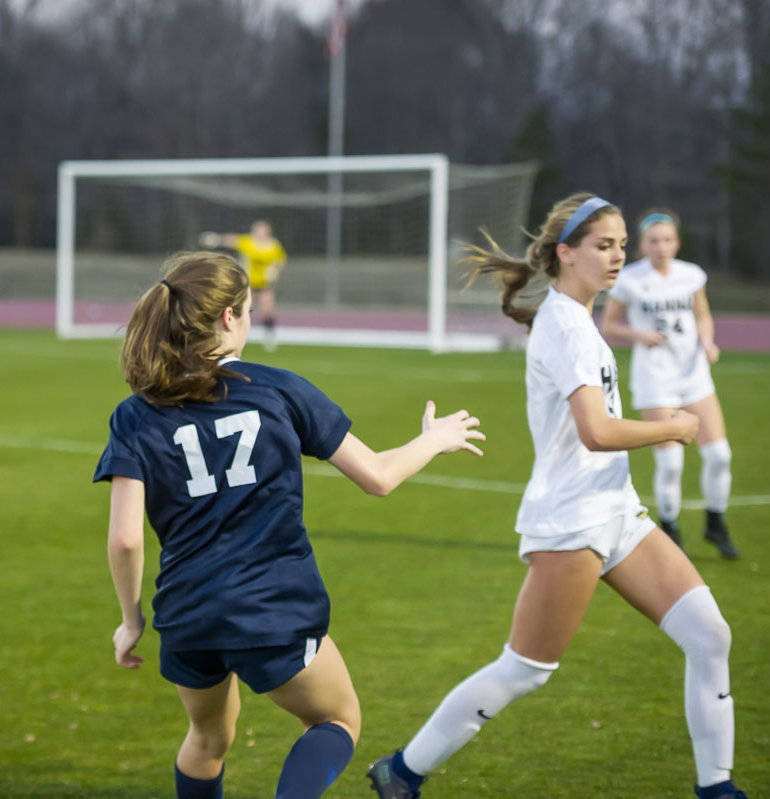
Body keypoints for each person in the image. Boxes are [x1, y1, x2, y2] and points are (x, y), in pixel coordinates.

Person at [367, 194, 747, 799]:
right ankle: (402, 770)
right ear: (565, 253)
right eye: (604, 245)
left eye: (623, 244)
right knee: (525, 670)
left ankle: (718, 788)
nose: (619, 255)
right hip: (573, 520)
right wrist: (673, 428)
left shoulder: (577, 317)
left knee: (709, 634)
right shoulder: (566, 324)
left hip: (617, 509)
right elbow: (597, 432)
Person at [94, 251, 485, 799]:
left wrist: (131, 620)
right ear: (229, 317)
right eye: (248, 310)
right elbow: (377, 476)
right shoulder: (277, 388)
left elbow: (126, 538)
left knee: (208, 741)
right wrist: (432, 439)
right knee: (338, 721)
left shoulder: (135, 412)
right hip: (271, 606)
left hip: (186, 615)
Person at [600, 209, 738, 559]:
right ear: (641, 245)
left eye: (666, 240)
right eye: (652, 241)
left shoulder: (691, 276)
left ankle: (715, 523)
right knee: (671, 462)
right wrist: (638, 334)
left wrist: (707, 341)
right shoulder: (629, 279)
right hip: (655, 378)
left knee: (720, 455)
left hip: (693, 376)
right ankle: (672, 530)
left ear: (676, 242)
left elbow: (702, 314)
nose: (660, 247)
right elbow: (609, 325)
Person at [200, 220, 286, 351]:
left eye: (261, 230)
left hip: (265, 284)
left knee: (267, 310)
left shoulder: (274, 246)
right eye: (256, 230)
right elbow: (232, 240)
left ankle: (269, 337)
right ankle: (236, 334)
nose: (258, 233)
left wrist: (274, 269)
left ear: (268, 232)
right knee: (243, 309)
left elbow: (279, 260)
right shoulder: (249, 242)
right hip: (248, 283)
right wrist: (216, 239)